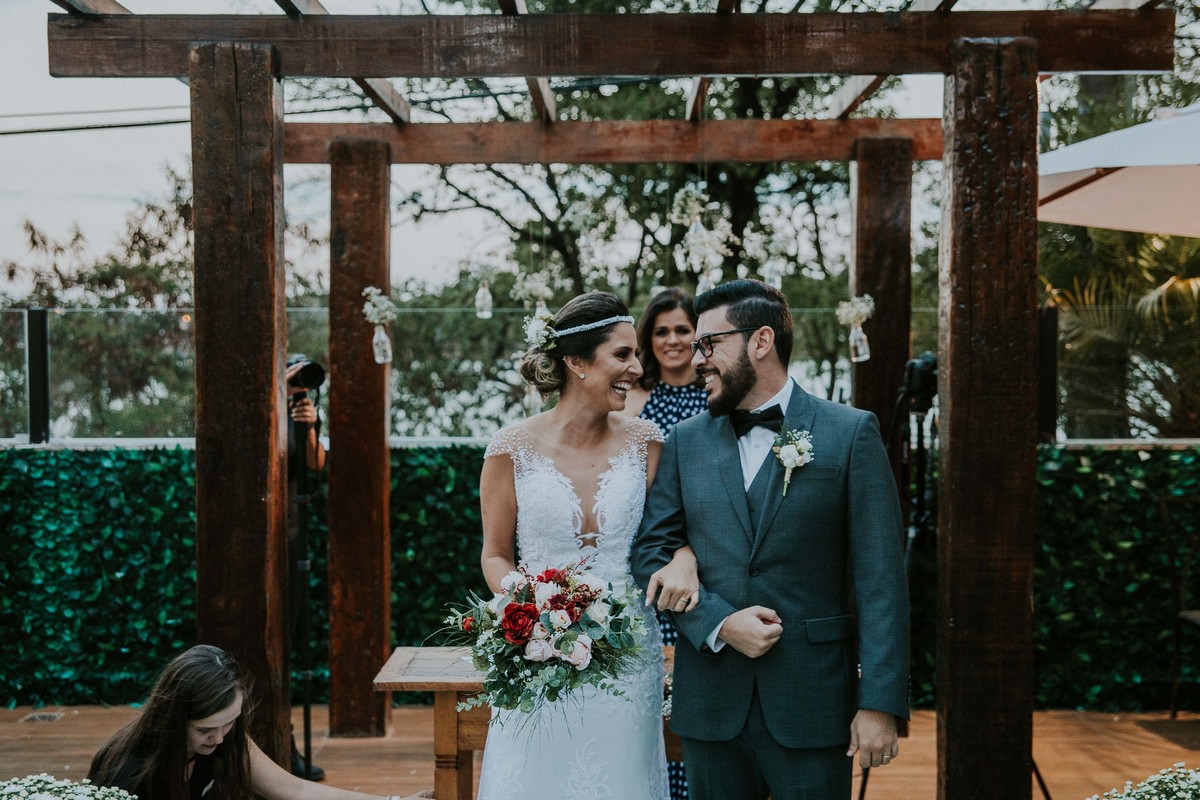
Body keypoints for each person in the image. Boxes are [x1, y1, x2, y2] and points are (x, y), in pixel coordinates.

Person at [630, 279, 910, 800]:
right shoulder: (686, 440)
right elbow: (650, 550)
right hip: (711, 705)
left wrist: (879, 703)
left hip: (814, 703)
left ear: (760, 341)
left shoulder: (850, 434)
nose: (698, 361)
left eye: (709, 344)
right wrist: (717, 622)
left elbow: (881, 581)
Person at [475, 291, 699, 800]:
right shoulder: (510, 449)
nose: (638, 369)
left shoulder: (649, 442)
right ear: (575, 361)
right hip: (539, 649)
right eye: (622, 355)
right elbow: (495, 554)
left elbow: (673, 540)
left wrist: (684, 557)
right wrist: (534, 609)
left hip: (630, 654)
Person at [88, 644, 432, 800]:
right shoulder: (127, 772)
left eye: (230, 724)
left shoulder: (224, 737)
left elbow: (295, 789)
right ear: (172, 720)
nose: (219, 739)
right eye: (205, 730)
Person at [619, 287, 706, 800]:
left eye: (682, 329)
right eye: (661, 331)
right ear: (648, 341)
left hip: (708, 558)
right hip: (649, 556)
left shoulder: (720, 395)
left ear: (699, 335)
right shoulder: (633, 401)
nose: (672, 340)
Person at [285, 355, 328, 780]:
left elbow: (316, 465)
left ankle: (288, 742)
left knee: (289, 636)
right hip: (264, 538)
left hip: (292, 536)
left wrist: (310, 424)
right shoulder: (260, 409)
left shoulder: (301, 413)